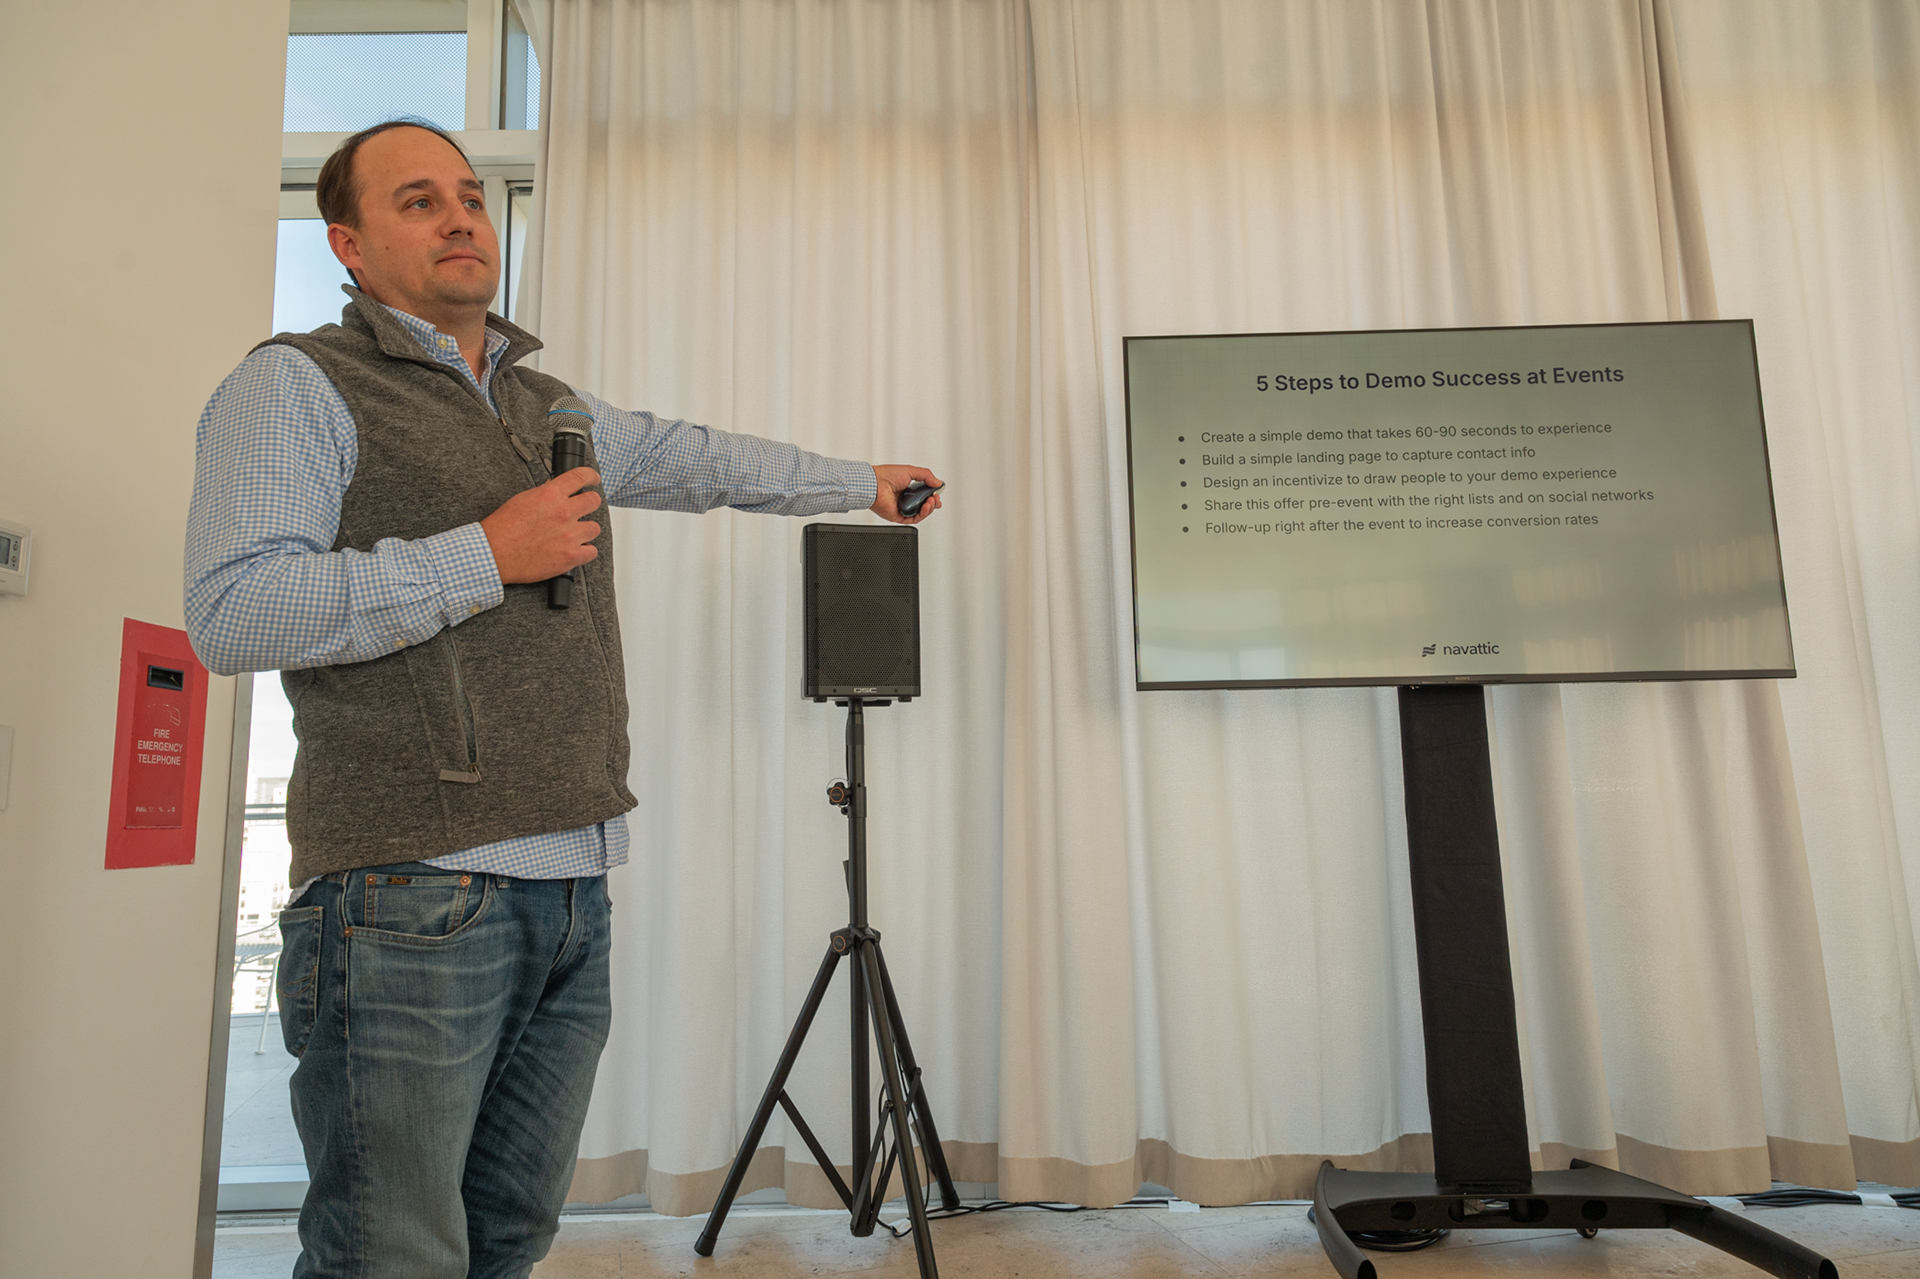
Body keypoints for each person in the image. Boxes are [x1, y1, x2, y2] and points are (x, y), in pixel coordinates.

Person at [184, 119, 941, 1279]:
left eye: (469, 197)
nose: (460, 217)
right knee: (390, 1255)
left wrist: (858, 482)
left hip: (574, 888)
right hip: (406, 895)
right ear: (347, 243)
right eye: (418, 200)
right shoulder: (295, 382)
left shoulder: (548, 405)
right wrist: (486, 553)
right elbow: (237, 610)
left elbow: (694, 459)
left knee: (506, 1243)